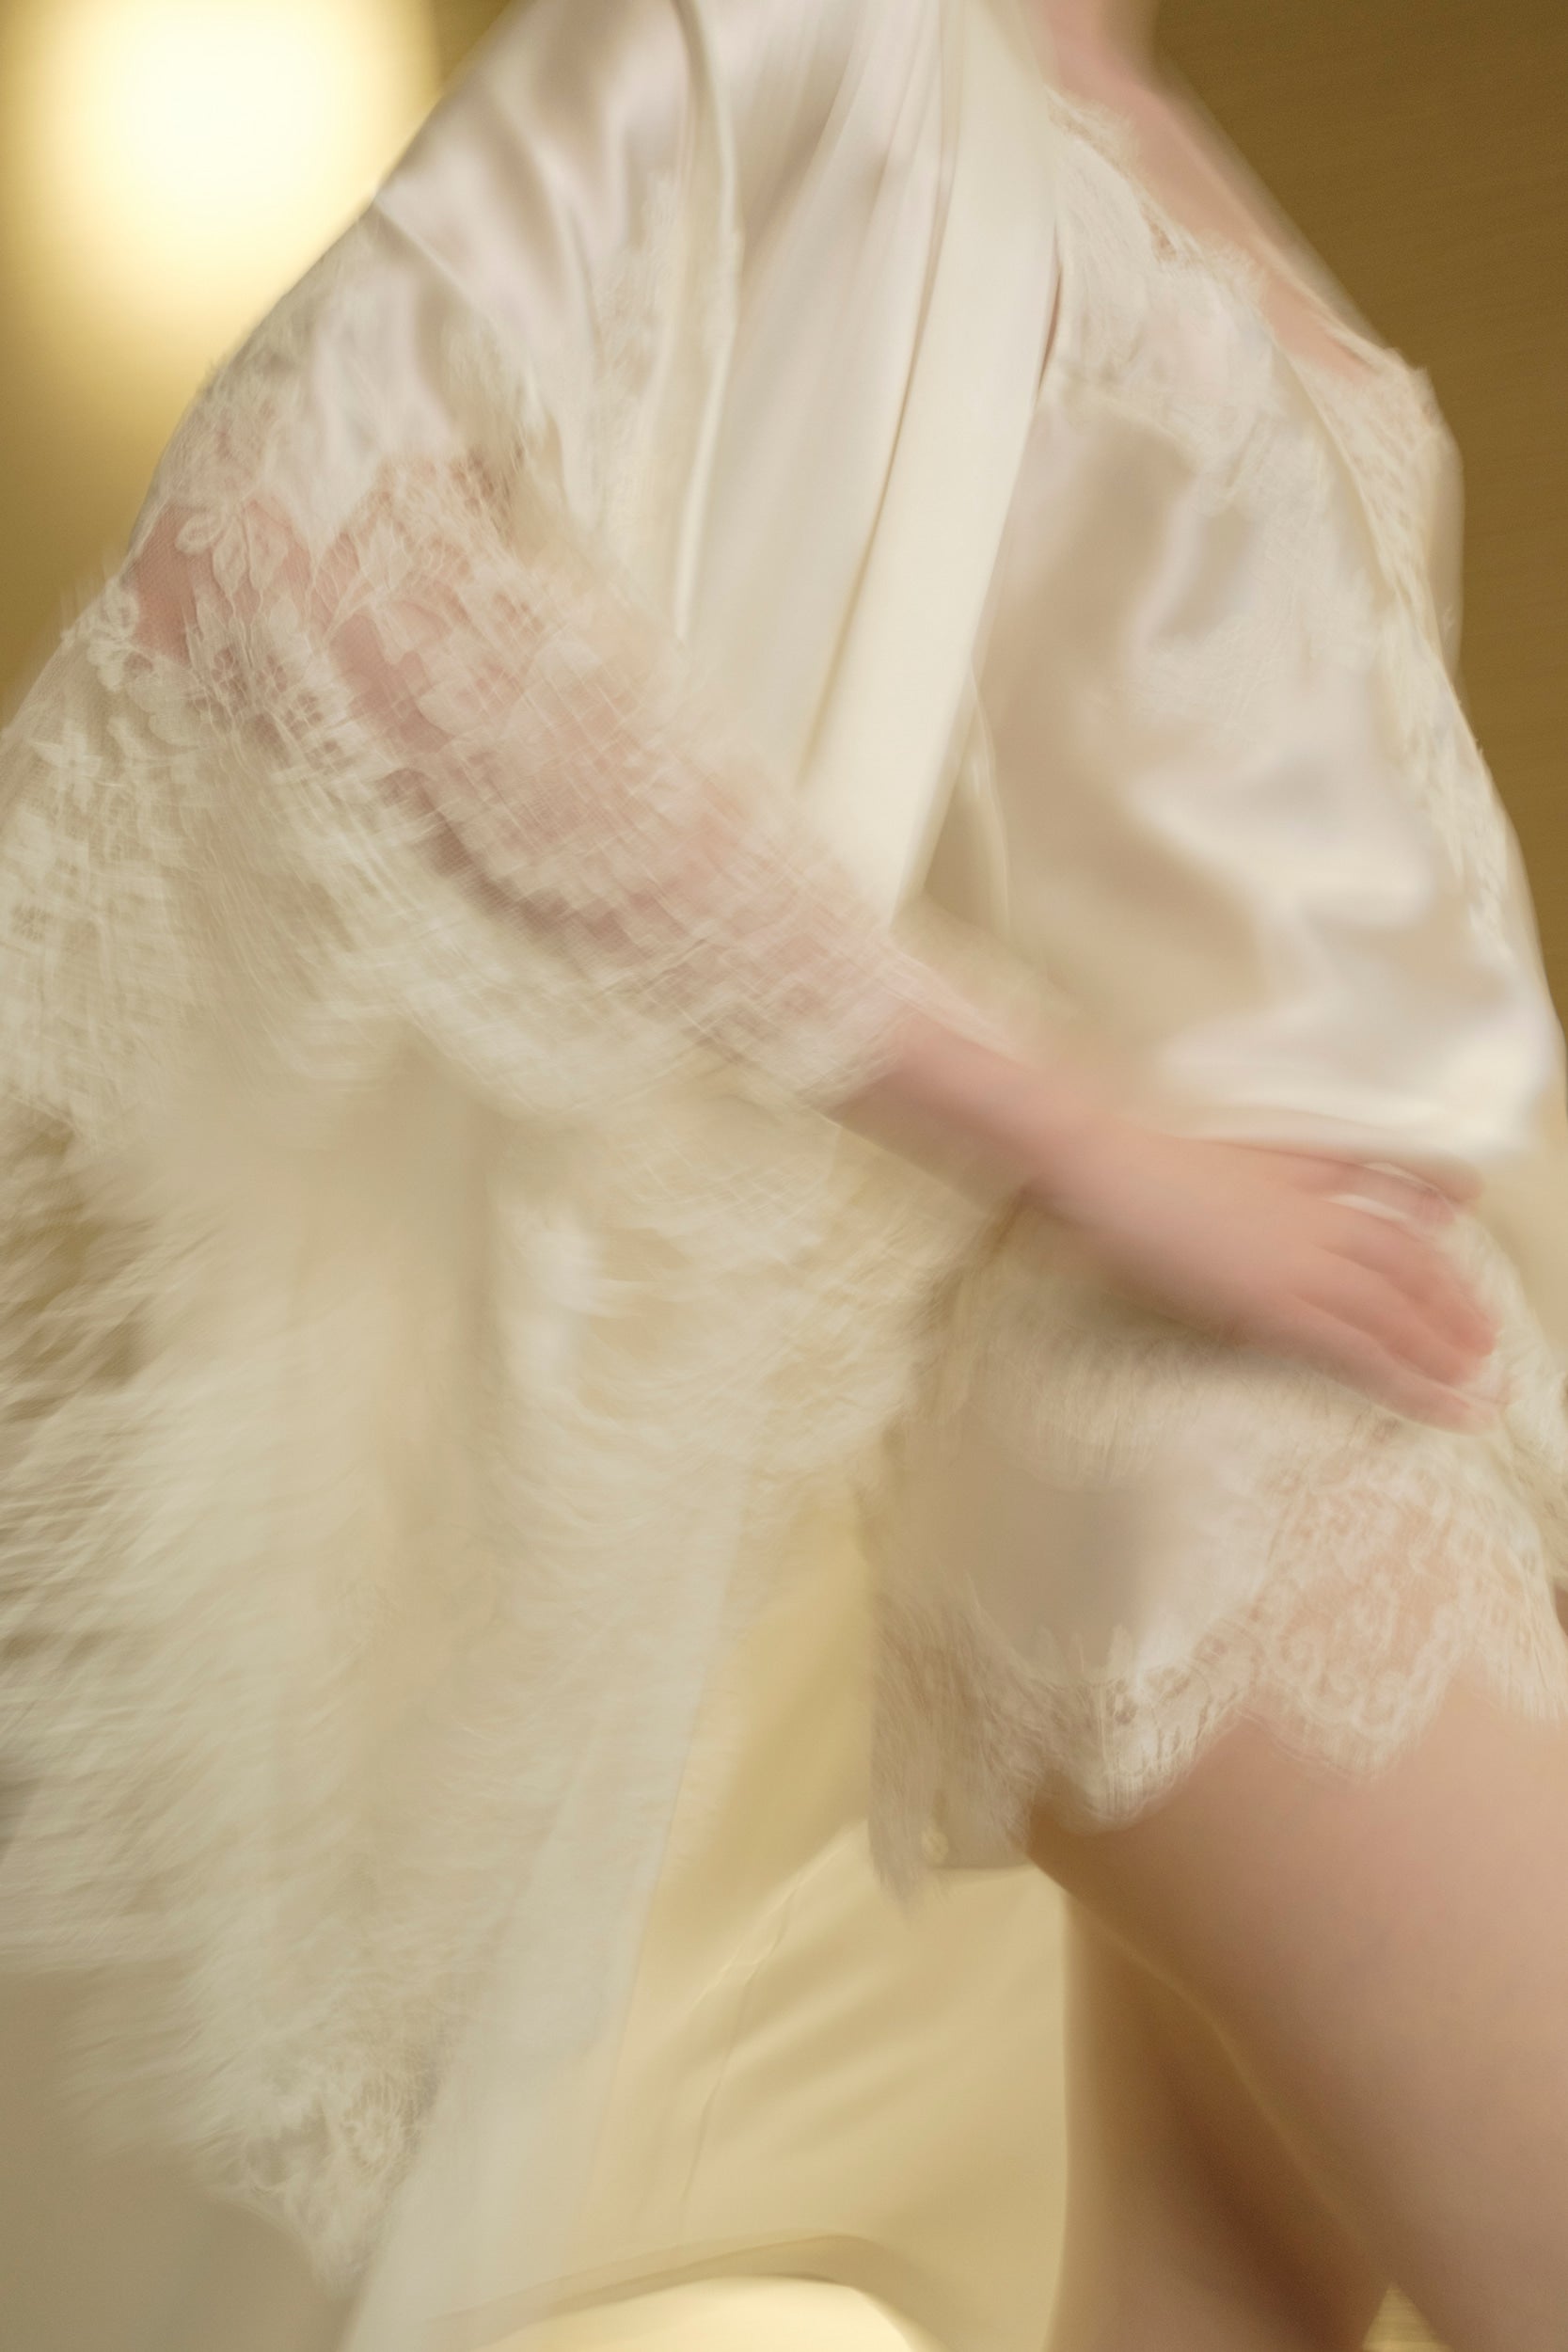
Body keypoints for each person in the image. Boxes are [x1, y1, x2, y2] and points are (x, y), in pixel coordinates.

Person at [0, 1, 1562, 2346]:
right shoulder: (828, 22)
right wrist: (1086, 1129)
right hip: (1232, 1440)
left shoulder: (1122, 108)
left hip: (1368, 1411)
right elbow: (291, 533)